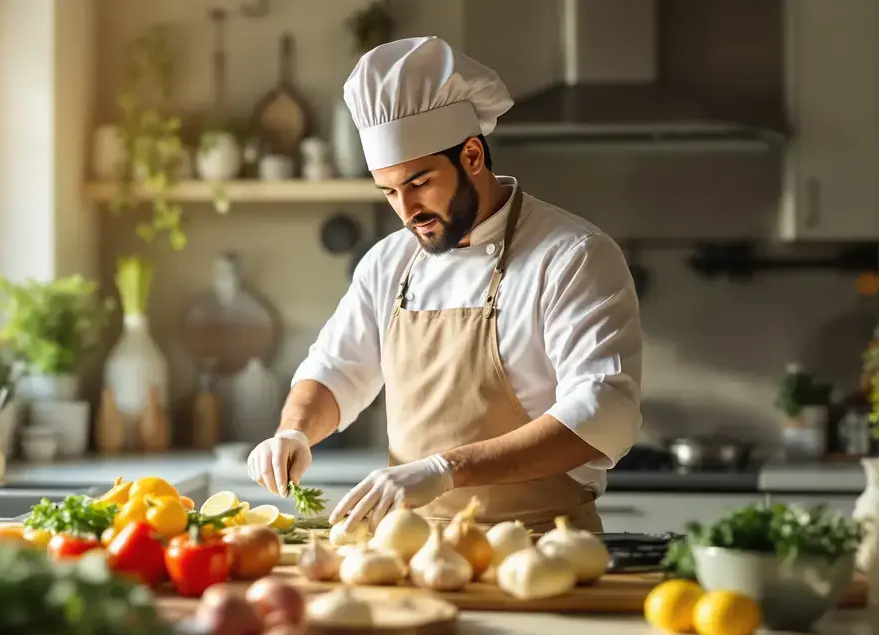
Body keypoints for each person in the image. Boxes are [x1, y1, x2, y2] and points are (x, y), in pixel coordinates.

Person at [246, 36, 643, 534]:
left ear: (472, 155)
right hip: (406, 552)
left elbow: (604, 413)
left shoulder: (572, 256)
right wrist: (294, 432)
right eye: (389, 191)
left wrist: (446, 469)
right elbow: (334, 370)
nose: (407, 212)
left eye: (418, 183)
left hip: (543, 548)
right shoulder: (389, 262)